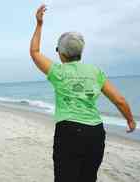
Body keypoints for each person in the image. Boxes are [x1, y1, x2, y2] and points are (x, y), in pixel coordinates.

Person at [30, 5, 136, 182]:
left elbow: (34, 52)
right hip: (95, 133)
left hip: (69, 132)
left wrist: (39, 24)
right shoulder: (95, 72)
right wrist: (130, 120)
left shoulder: (58, 72)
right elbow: (119, 100)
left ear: (61, 53)